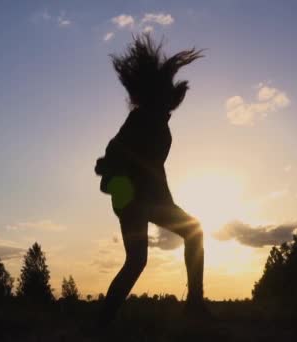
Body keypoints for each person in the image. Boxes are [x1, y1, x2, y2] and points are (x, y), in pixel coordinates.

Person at [95, 34, 208, 324]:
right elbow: (113, 158)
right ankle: (103, 322)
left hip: (150, 198)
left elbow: (154, 168)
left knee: (191, 232)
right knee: (138, 260)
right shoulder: (142, 119)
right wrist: (117, 182)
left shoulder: (156, 120)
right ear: (157, 96)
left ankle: (194, 305)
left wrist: (164, 201)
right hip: (133, 199)